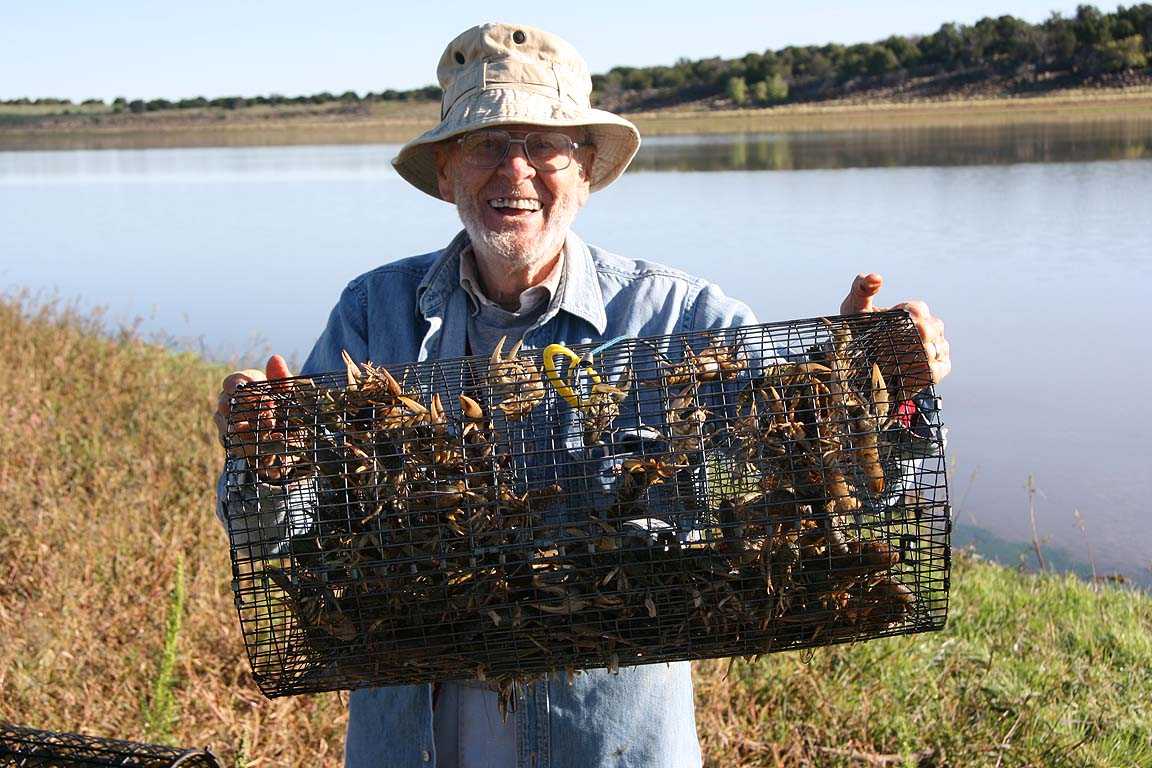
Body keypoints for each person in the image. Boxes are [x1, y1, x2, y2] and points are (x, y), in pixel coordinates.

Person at [213, 21, 951, 768]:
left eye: (544, 145)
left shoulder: (678, 319)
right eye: (485, 143)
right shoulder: (373, 315)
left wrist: (868, 389)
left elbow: (841, 486)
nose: (515, 170)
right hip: (416, 744)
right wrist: (269, 460)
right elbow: (275, 539)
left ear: (589, 169)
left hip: (611, 745)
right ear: (446, 173)